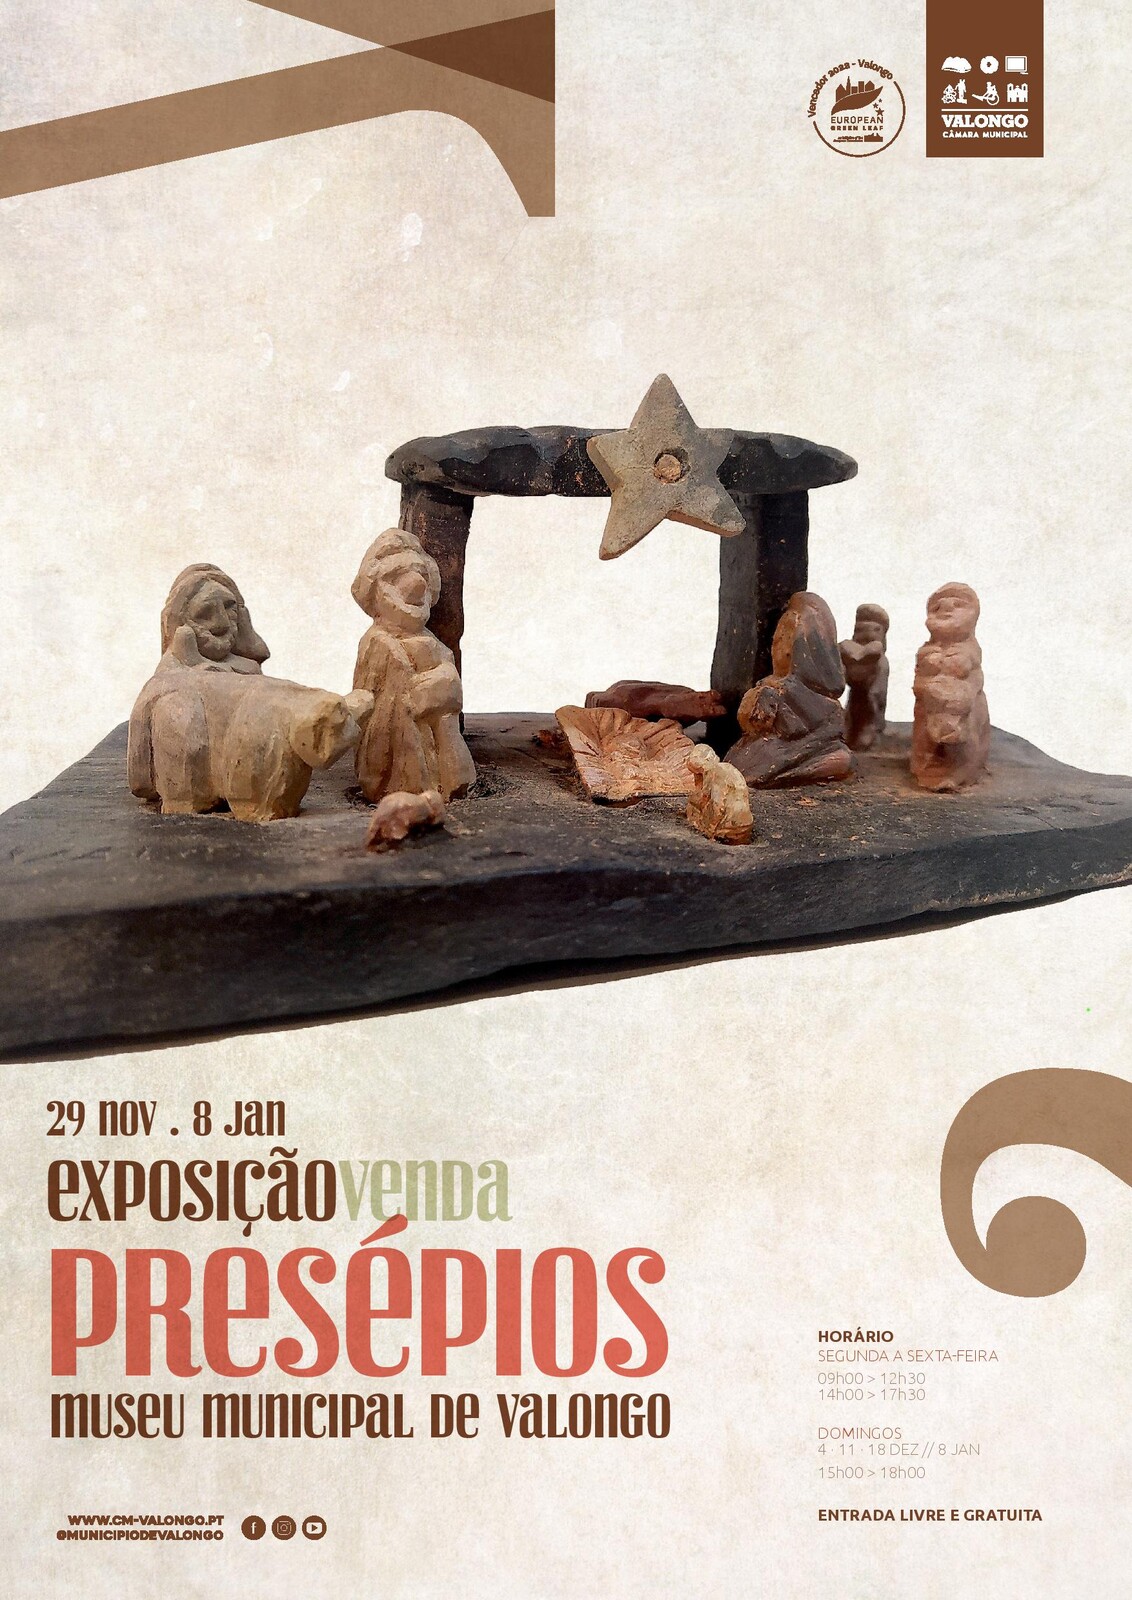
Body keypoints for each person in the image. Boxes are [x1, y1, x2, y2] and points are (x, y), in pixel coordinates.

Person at [351, 529, 476, 802]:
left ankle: (450, 785)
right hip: (398, 756)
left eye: (421, 575)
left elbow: (450, 686)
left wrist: (445, 686)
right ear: (374, 591)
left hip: (442, 747)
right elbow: (371, 705)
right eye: (396, 577)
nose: (415, 585)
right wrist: (413, 693)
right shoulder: (377, 643)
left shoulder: (432, 643)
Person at [726, 592, 852, 786]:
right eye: (777, 639)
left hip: (799, 749)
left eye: (786, 640)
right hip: (770, 746)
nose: (779, 649)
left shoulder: (817, 697)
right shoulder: (770, 684)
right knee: (739, 760)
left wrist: (773, 700)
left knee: (754, 764)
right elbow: (753, 723)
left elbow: (794, 729)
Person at [911, 582, 989, 791]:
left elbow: (973, 681)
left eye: (958, 604)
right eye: (937, 607)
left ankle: (961, 772)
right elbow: (919, 682)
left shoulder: (970, 650)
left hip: (962, 707)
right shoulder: (927, 650)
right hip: (929, 705)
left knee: (966, 734)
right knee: (924, 734)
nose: (946, 607)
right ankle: (926, 767)